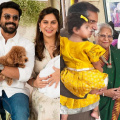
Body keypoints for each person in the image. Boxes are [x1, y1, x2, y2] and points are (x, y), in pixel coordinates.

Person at [60, 13, 108, 120]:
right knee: (99, 86)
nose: (90, 29)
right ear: (76, 30)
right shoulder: (88, 46)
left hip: (69, 75)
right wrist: (100, 70)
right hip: (86, 75)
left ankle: (64, 115)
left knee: (66, 100)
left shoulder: (64, 43)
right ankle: (95, 111)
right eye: (87, 27)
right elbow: (95, 63)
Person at [0, 1, 35, 120]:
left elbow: (25, 74)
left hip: (16, 91)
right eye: (7, 16)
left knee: (21, 115)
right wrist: (11, 71)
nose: (11, 20)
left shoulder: (27, 45)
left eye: (15, 18)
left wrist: (1, 68)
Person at [27, 7, 60, 120]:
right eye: (45, 22)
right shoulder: (31, 48)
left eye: (53, 22)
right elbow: (26, 76)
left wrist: (62, 73)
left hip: (65, 88)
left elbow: (79, 66)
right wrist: (35, 83)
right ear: (40, 25)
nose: (49, 26)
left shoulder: (67, 45)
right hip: (42, 92)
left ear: (58, 25)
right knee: (51, 107)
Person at [94, 23, 120, 120]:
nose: (106, 39)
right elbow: (82, 84)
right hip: (97, 104)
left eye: (109, 36)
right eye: (102, 35)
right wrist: (105, 93)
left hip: (117, 102)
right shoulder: (87, 55)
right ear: (95, 35)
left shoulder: (118, 53)